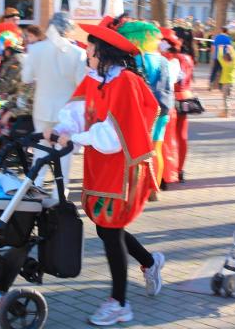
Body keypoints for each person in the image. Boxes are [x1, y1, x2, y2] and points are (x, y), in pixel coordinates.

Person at [45, 22, 164, 326]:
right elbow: (77, 113)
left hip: (120, 166)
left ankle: (120, 303)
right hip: (101, 162)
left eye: (90, 46)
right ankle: (150, 262)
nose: (86, 50)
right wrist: (60, 129)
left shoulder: (124, 82)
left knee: (110, 230)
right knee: (105, 227)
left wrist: (75, 138)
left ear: (103, 51)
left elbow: (113, 135)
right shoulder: (95, 78)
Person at [22, 12, 86, 192]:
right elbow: (81, 85)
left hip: (42, 108)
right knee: (64, 153)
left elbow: (26, 78)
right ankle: (60, 192)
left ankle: (35, 186)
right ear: (68, 30)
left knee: (40, 149)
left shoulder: (35, 50)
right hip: (66, 111)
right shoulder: (78, 53)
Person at [118, 21, 177, 187]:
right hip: (162, 109)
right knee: (156, 148)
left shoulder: (132, 60)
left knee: (137, 151)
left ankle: (139, 186)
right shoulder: (163, 60)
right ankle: (154, 187)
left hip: (141, 110)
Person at [159, 27, 194, 186]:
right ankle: (180, 170)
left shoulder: (175, 58)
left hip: (174, 97)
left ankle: (169, 171)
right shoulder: (189, 57)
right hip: (185, 96)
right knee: (182, 136)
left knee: (170, 137)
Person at [0, 22, 32, 133]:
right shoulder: (14, 59)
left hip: (17, 102)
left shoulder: (16, 61)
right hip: (15, 99)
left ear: (8, 50)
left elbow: (7, 86)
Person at [217, 44, 235, 118]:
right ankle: (226, 112)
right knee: (229, 98)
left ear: (225, 59)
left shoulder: (224, 64)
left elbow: (219, 57)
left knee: (226, 98)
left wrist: (220, 49)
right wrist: (231, 49)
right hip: (233, 82)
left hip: (226, 83)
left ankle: (226, 113)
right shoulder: (234, 63)